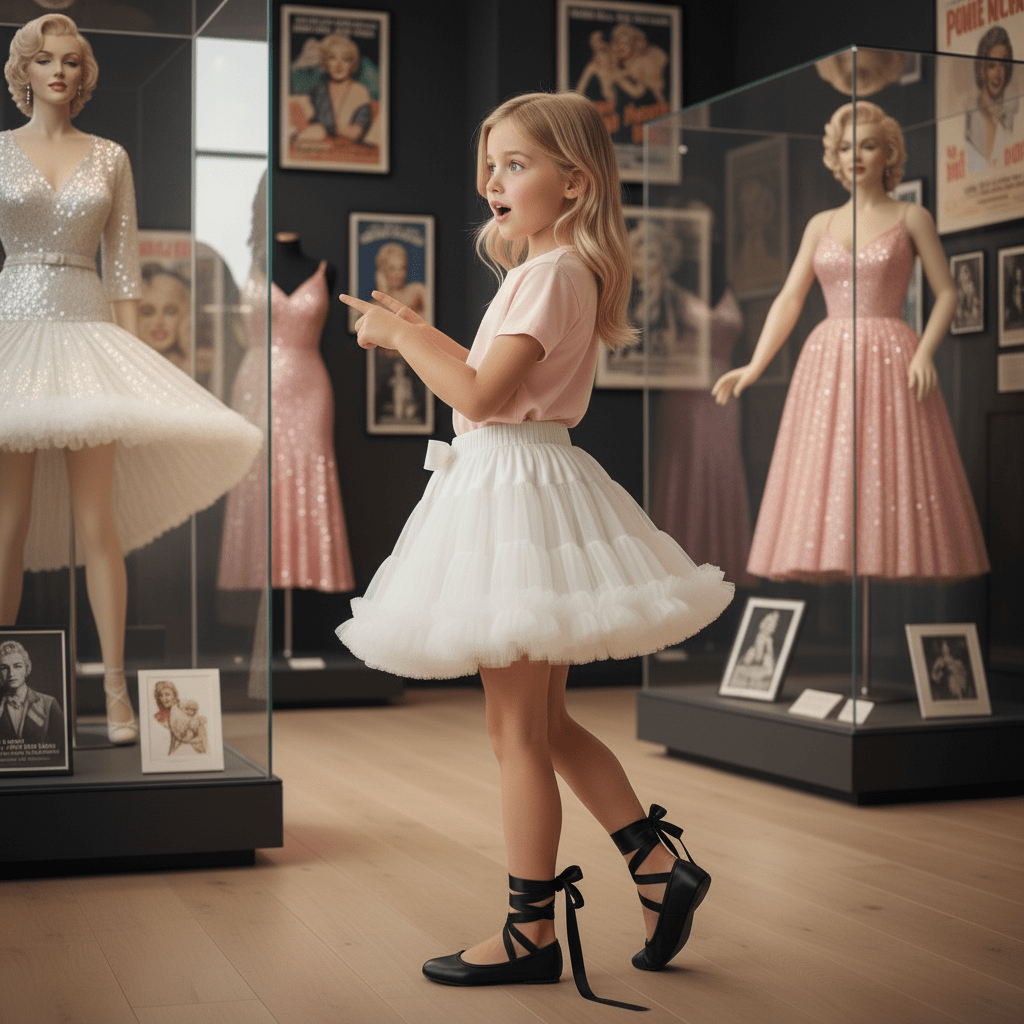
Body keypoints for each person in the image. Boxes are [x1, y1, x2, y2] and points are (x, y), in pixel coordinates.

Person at [337, 91, 733, 1009]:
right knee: (545, 725)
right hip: (523, 485)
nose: (493, 182)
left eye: (514, 163)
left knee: (514, 730)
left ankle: (530, 930)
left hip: (513, 494)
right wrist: (419, 329)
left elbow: (478, 401)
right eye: (491, 166)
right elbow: (487, 386)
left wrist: (402, 337)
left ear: (575, 181)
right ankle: (654, 863)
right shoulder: (550, 270)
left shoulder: (552, 274)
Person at [0, 15, 261, 744]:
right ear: (25, 69)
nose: (59, 70)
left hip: (89, 334)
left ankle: (116, 691)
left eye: (72, 60)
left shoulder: (109, 156)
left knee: (97, 522)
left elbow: (122, 270)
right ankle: (1, 690)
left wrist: (131, 369)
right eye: (45, 58)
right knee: (7, 526)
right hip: (11, 337)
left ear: (84, 74)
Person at [713, 101, 989, 582]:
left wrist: (924, 351)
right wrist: (754, 365)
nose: (855, 155)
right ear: (834, 158)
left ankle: (893, 557)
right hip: (828, 359)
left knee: (892, 465)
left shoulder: (912, 216)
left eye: (867, 145)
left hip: (893, 354)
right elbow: (789, 299)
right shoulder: (820, 224)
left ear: (888, 154)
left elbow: (948, 292)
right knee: (832, 464)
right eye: (846, 147)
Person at [297, 33, 373, 147]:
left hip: (351, 151)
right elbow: (308, 126)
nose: (339, 64)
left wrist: (326, 128)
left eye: (345, 59)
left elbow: (355, 133)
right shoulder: (318, 90)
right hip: (320, 148)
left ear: (353, 64)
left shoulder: (360, 91)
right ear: (325, 62)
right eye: (332, 58)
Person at [964, 26, 1015, 174]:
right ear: (982, 70)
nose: (997, 73)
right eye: (992, 66)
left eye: (1003, 65)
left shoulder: (1012, 116)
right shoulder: (970, 116)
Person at [0, 638, 63, 745]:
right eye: (4, 668)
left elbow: (62, 748)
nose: (11, 673)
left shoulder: (49, 704)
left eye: (17, 666)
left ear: (27, 668)